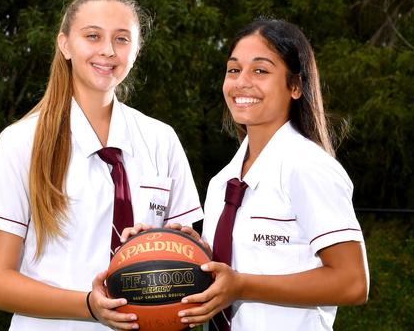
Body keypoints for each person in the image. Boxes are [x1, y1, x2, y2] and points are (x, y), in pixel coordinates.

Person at [0, 0, 203, 331]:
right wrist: (89, 307)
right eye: (92, 35)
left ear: (137, 50)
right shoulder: (22, 142)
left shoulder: (161, 139)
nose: (108, 50)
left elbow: (192, 256)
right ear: (65, 44)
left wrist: (169, 245)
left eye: (122, 39)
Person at [127, 18, 369, 330]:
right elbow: (240, 267)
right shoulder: (223, 183)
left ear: (295, 86)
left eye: (261, 70)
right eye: (233, 69)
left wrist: (241, 286)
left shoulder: (308, 166)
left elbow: (352, 283)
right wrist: (181, 248)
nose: (242, 82)